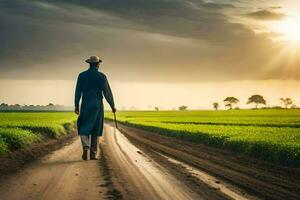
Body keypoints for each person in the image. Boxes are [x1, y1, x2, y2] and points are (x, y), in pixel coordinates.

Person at [75, 55, 116, 160]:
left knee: (83, 126)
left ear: (89, 64)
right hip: (97, 105)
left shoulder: (82, 75)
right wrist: (112, 105)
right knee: (96, 129)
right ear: (98, 64)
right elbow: (107, 92)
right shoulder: (102, 76)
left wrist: (76, 106)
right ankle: (93, 154)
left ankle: (85, 146)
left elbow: (78, 92)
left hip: (86, 104)